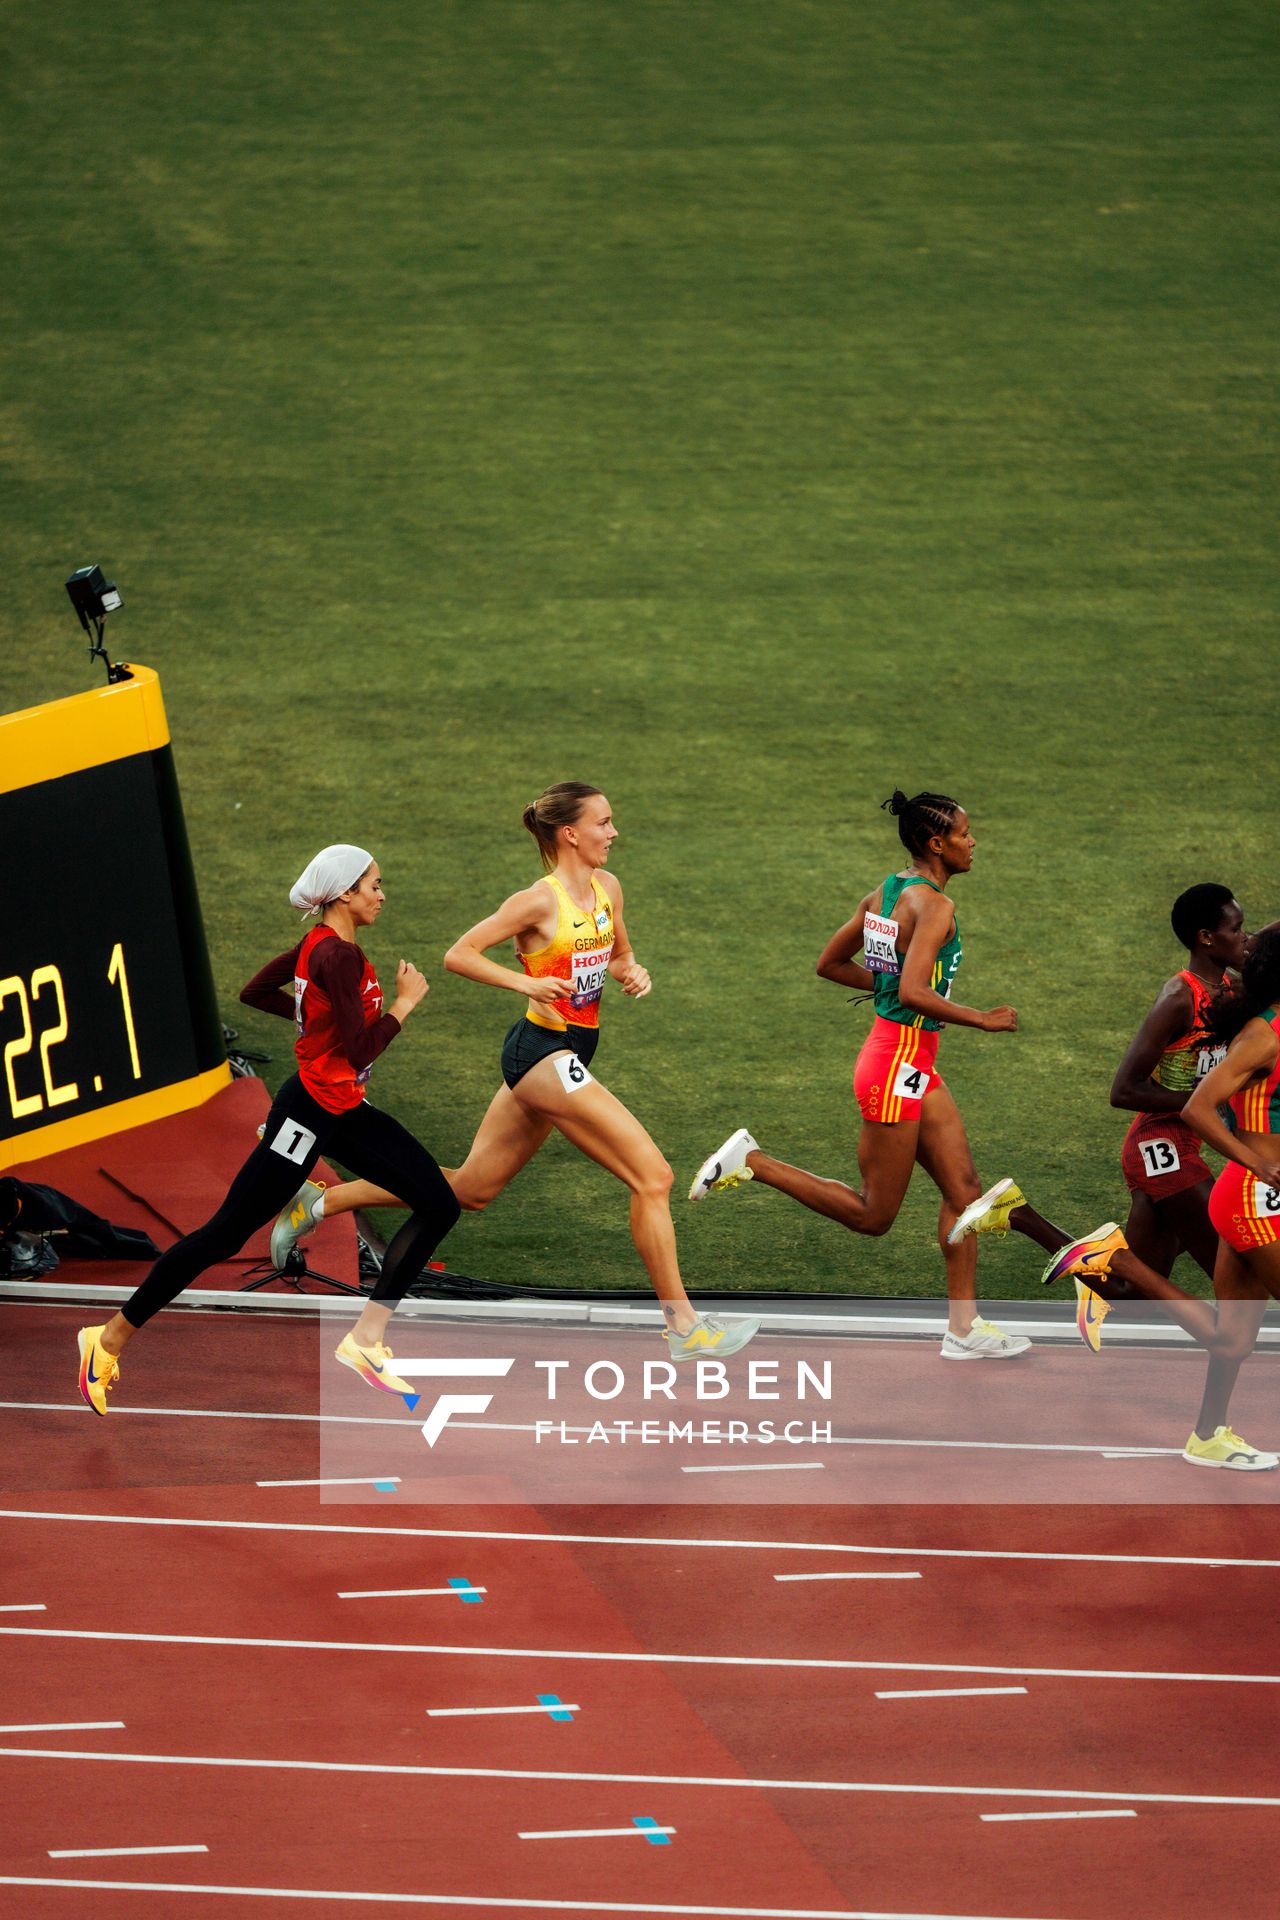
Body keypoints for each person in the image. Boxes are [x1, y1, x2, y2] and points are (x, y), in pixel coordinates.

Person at [271, 786, 759, 1361]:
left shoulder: (608, 888)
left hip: (569, 1053)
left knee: (472, 1189)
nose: (613, 832)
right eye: (603, 822)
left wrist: (632, 971)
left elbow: (620, 953)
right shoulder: (537, 901)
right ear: (570, 834)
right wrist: (527, 982)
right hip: (542, 1054)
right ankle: (685, 1327)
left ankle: (319, 1204)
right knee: (653, 1177)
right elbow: (460, 954)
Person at [75, 845, 461, 1413]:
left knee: (439, 1203)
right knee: (225, 1235)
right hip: (307, 1116)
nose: (382, 895)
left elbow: (255, 993)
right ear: (346, 892)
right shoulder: (338, 957)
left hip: (341, 1110)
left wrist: (314, 1024)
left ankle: (366, 1339)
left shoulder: (318, 946)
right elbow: (359, 1049)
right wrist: (403, 1006)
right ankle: (106, 1340)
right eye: (375, 885)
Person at [688, 789, 1027, 1359]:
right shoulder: (935, 907)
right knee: (873, 1216)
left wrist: (892, 988)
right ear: (936, 843)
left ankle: (964, 1329)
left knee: (964, 1191)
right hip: (896, 1063)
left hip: (910, 1061)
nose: (973, 842)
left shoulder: (885, 892)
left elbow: (831, 964)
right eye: (965, 834)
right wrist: (981, 1018)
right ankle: (754, 1162)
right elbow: (913, 991)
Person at [955, 928, 1280, 1470]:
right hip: (1211, 1174)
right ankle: (1080, 1243)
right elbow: (1179, 1102)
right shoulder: (1250, 1028)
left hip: (1237, 1182)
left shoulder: (1253, 1019)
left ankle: (1207, 1435)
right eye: (1231, 927)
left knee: (1226, 1336)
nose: (1239, 935)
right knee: (1212, 1321)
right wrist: (1257, 1162)